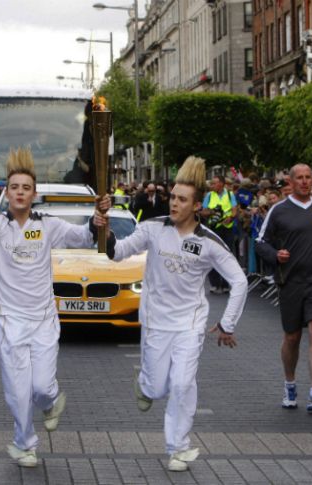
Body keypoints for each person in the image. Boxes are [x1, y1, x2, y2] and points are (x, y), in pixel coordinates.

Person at [94, 156, 247, 473]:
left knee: (182, 383)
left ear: (196, 205)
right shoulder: (152, 229)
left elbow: (239, 280)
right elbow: (118, 252)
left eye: (182, 200)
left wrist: (227, 324)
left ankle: (178, 447)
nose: (175, 204)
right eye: (173, 197)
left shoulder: (208, 242)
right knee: (157, 388)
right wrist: (105, 229)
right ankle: (146, 385)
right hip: (155, 322)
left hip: (189, 324)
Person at [0, 148, 101, 468]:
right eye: (14, 187)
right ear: (7, 191)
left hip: (43, 318)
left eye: (25, 188)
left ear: (34, 193)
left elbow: (83, 237)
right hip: (9, 320)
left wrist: (97, 220)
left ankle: (51, 400)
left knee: (41, 387)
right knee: (18, 391)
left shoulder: (47, 224)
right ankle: (25, 444)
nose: (19, 192)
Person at [256, 163, 312, 413]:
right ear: (290, 181)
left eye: (307, 177)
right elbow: (260, 242)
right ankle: (290, 383)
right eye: (299, 178)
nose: (304, 181)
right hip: (290, 281)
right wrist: (275, 254)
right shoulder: (279, 210)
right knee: (292, 337)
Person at [200, 175, 238, 294]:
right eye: (211, 183)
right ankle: (215, 284)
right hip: (213, 228)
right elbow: (203, 211)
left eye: (214, 183)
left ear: (221, 183)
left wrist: (231, 218)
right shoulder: (209, 195)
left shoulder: (229, 195)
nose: (211, 186)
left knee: (226, 256)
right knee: (212, 255)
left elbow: (234, 209)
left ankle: (225, 283)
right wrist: (212, 212)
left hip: (227, 228)